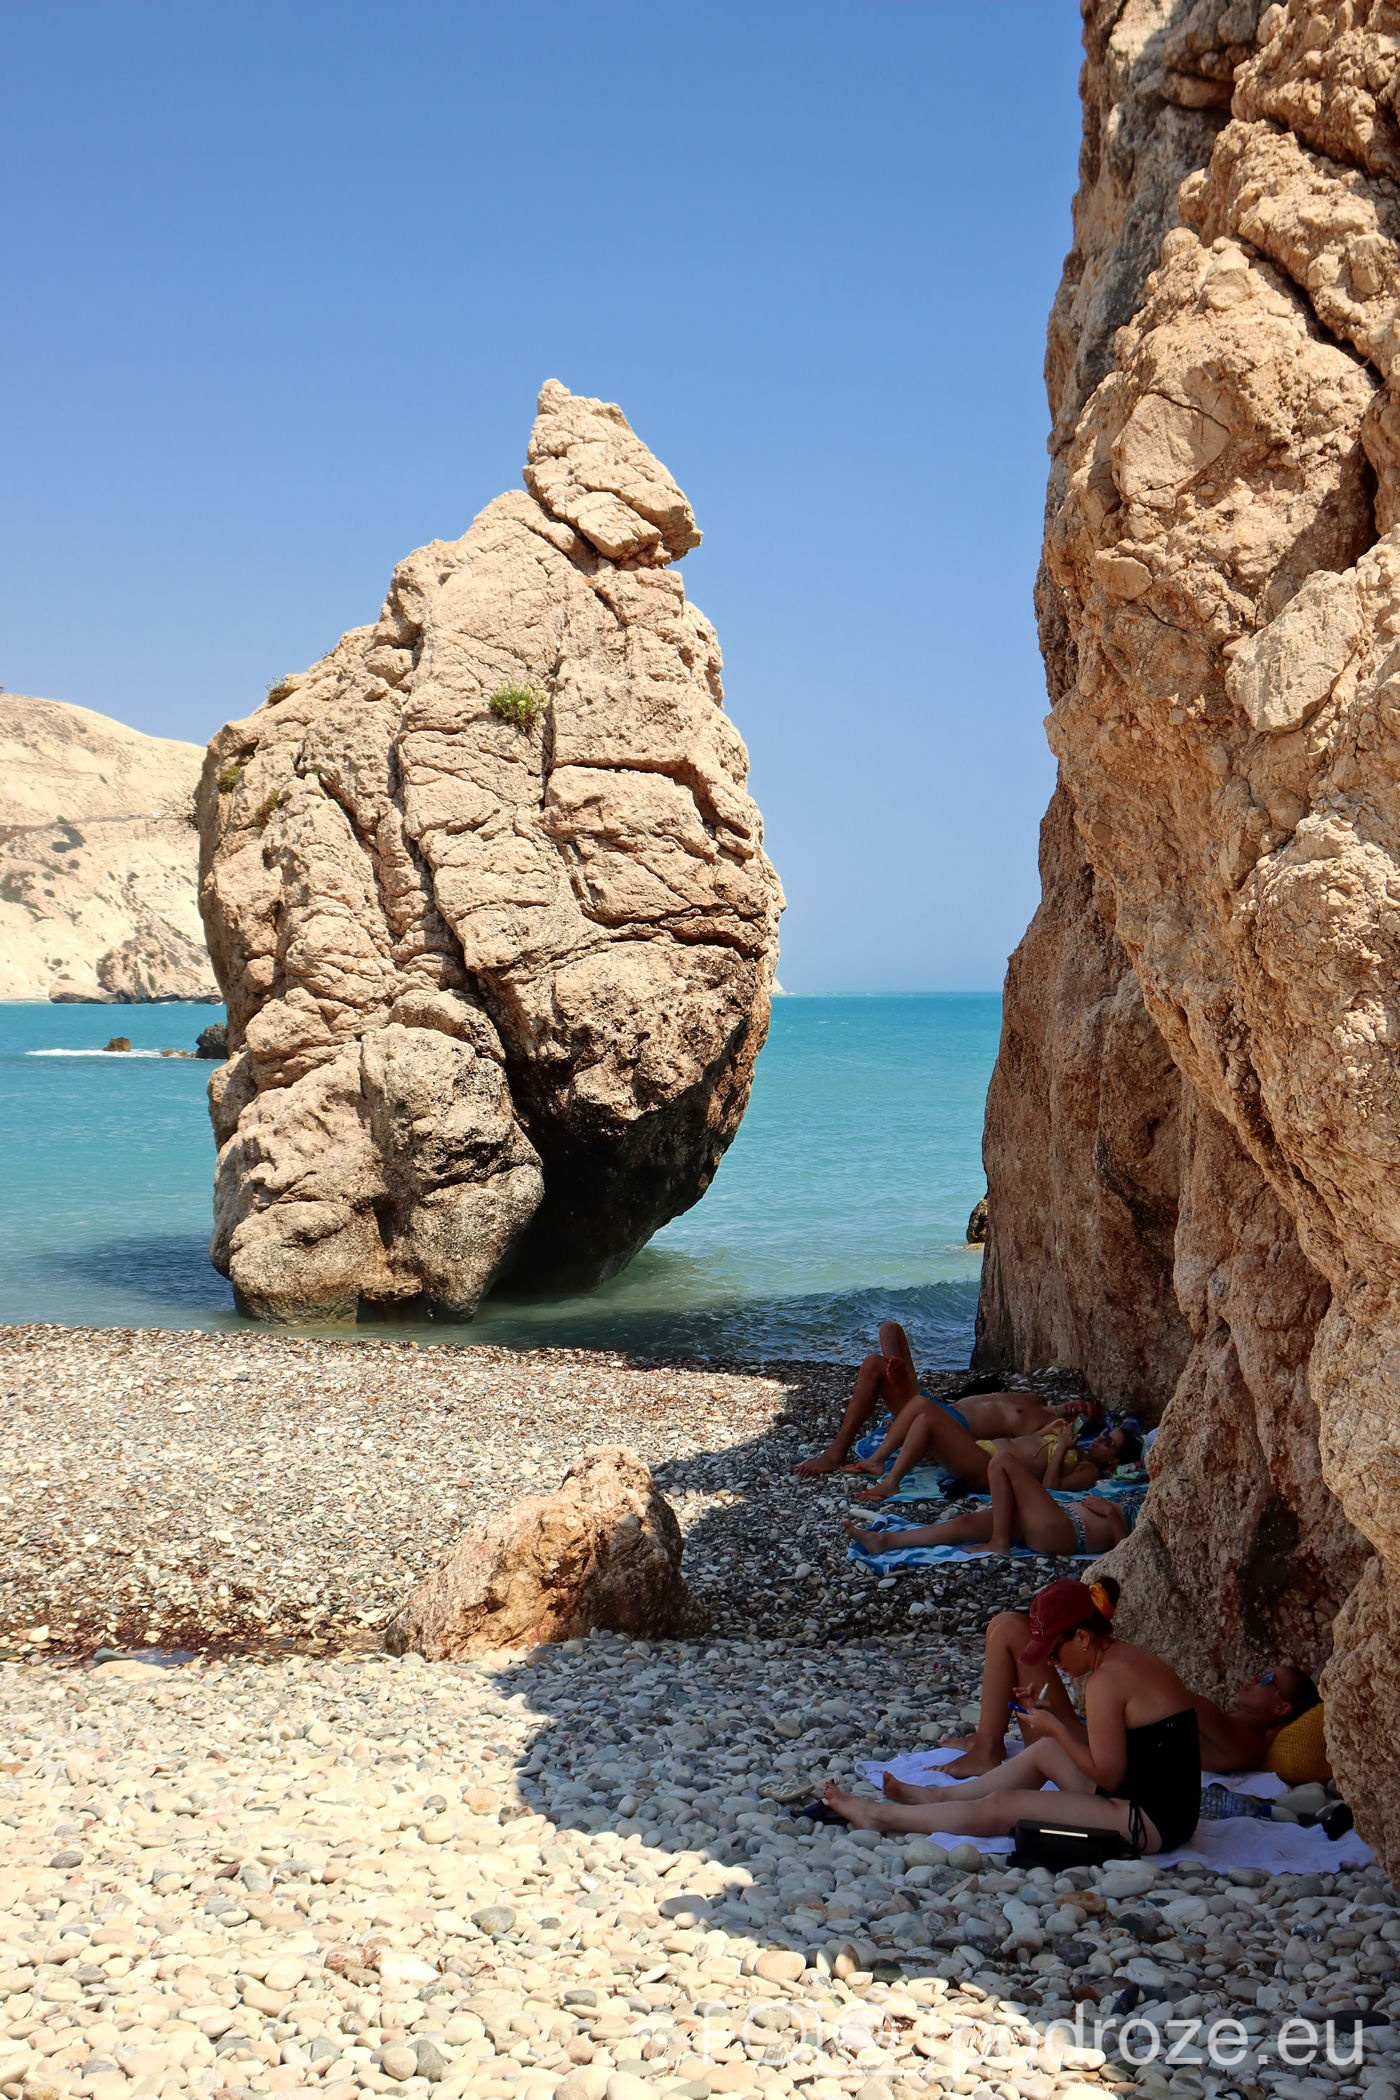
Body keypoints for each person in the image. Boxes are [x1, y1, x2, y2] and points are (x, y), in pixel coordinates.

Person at [822, 1576, 1201, 1854]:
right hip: (1152, 1799)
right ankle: (936, 1797)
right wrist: (1053, 1721)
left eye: (1054, 1653)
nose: (1052, 1664)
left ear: (1083, 1637)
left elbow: (1108, 1775)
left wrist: (1055, 1728)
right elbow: (1122, 1754)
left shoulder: (1105, 1682)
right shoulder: (1123, 1658)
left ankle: (881, 1817)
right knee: (1043, 1751)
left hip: (1149, 1821)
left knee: (1004, 1806)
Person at [939, 1599, 1322, 1778]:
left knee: (1009, 1628)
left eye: (1268, 1681)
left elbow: (1110, 1765)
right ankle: (987, 1740)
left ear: (1281, 1709)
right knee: (1003, 1625)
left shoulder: (1247, 1742)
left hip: (1079, 1755)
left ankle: (987, 1748)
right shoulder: (1225, 1726)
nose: (1254, 1677)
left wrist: (1059, 1725)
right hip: (1086, 1741)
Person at [793, 1322, 1101, 1478]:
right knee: (890, 1330)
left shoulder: (1048, 1429)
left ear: (1076, 1425)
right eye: (1084, 1403)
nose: (1079, 1408)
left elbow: (1013, 1450)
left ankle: (835, 1453)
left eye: (1083, 1415)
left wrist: (940, 1447)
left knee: (873, 1364)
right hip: (941, 1406)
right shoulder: (1035, 1397)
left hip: (949, 1426)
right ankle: (896, 1375)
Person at [843, 1446, 1132, 1558]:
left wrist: (1110, 1512)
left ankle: (998, 1542)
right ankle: (885, 1541)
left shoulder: (1149, 1515)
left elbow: (1130, 1556)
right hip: (1056, 1518)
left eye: (1110, 1440)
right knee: (966, 1522)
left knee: (1002, 1461)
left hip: (1069, 1531)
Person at [843, 1397, 1138, 1505]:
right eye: (1103, 1435)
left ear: (1113, 1460)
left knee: (924, 1411)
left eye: (1108, 1442)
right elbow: (1025, 1444)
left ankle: (889, 1478)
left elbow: (1050, 1489)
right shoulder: (1073, 1443)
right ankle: (880, 1464)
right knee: (922, 1413)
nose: (1100, 1440)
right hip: (982, 1450)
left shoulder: (1087, 1470)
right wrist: (1047, 1432)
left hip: (987, 1466)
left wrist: (1060, 1448)